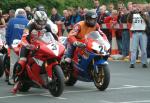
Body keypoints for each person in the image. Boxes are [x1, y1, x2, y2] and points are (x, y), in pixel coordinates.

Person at [11, 10, 58, 94]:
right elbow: (23, 38)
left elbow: (54, 36)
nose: (42, 23)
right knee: (22, 61)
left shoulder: (47, 26)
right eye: (40, 21)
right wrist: (27, 45)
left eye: (44, 21)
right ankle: (17, 81)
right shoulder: (29, 26)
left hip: (41, 45)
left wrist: (57, 42)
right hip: (28, 45)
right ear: (36, 20)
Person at [5, 8, 28, 85]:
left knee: (13, 63)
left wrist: (9, 44)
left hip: (14, 46)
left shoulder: (11, 21)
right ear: (24, 14)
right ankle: (22, 80)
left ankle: (11, 80)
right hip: (24, 46)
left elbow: (7, 34)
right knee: (24, 63)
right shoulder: (27, 22)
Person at [127, 2, 148, 68]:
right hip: (135, 33)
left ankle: (144, 63)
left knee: (144, 49)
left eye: (136, 6)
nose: (135, 8)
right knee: (133, 49)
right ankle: (132, 63)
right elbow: (129, 20)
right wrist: (131, 12)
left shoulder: (145, 13)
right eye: (134, 6)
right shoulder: (132, 14)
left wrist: (141, 13)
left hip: (143, 33)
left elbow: (148, 20)